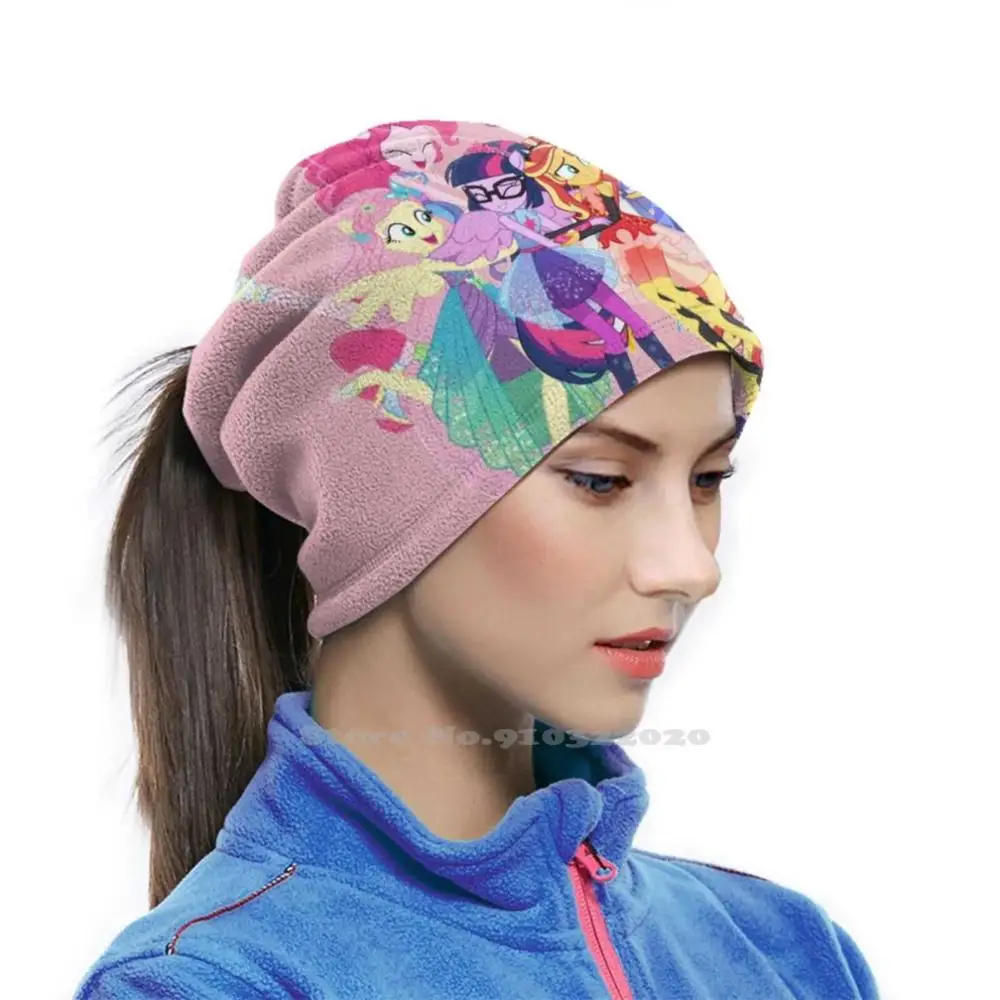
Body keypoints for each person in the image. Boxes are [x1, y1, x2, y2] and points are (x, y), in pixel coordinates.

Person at [72, 119, 878, 999]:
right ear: (377, 500)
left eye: (708, 478)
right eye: (602, 480)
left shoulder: (785, 950)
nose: (692, 568)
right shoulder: (215, 983)